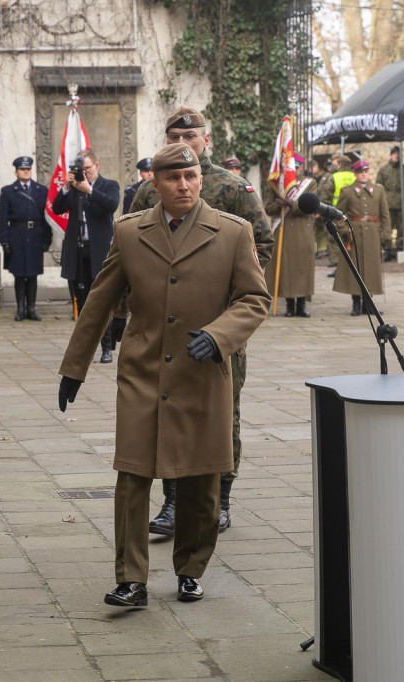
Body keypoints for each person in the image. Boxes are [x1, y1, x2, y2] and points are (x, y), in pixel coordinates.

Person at [57, 143, 271, 607]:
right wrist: (74, 367)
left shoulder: (233, 232)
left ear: (200, 179)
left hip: (203, 372)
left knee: (201, 481)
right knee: (133, 476)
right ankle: (131, 579)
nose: (184, 186)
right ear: (155, 184)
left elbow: (256, 299)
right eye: (173, 178)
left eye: (190, 177)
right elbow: (99, 300)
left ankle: (191, 569)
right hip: (143, 370)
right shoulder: (130, 232)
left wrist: (219, 336)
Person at [130, 106, 274, 535]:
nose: (184, 143)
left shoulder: (233, 188)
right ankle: (173, 502)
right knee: (168, 410)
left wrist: (227, 303)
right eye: (175, 136)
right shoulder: (149, 191)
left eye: (191, 136)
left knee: (222, 413)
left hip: (219, 327)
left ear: (205, 140)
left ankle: (220, 501)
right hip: (165, 326)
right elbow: (130, 249)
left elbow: (262, 246)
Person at [53, 148, 121, 361]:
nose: (84, 173)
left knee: (101, 302)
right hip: (77, 252)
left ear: (96, 166)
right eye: (80, 170)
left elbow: (111, 205)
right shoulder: (75, 187)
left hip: (99, 252)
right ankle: (85, 350)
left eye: (87, 169)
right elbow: (57, 208)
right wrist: (66, 187)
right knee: (82, 303)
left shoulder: (108, 185)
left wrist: (89, 189)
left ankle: (106, 348)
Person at [334, 160, 390, 315]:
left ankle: (369, 304)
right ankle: (356, 303)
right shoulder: (347, 191)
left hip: (373, 234)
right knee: (355, 268)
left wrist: (386, 234)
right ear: (355, 174)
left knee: (371, 269)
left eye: (366, 171)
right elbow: (338, 215)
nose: (364, 175)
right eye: (360, 172)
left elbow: (385, 214)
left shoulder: (378, 190)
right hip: (354, 234)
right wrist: (344, 230)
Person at [0, 155, 50, 321]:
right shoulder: (8, 191)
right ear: (16, 172)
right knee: (19, 274)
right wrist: (4, 240)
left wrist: (47, 239)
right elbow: (2, 218)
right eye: (22, 169)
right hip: (17, 236)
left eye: (28, 169)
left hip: (35, 236)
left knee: (33, 274)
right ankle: (20, 308)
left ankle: (31, 308)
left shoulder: (41, 190)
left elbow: (46, 218)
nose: (26, 172)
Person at [265, 194, 316, 317]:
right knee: (286, 268)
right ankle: (290, 305)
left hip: (303, 230)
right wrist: (278, 205)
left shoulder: (309, 185)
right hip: (284, 230)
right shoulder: (278, 186)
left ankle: (301, 305)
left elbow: (311, 206)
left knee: (303, 268)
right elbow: (268, 209)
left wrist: (291, 203)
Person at [376, 146, 404, 257]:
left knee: (402, 228)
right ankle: (387, 249)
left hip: (402, 203)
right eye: (395, 154)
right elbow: (378, 187)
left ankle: (400, 248)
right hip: (387, 203)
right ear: (391, 155)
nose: (397, 156)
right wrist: (378, 204)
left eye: (398, 154)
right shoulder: (383, 170)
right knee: (386, 228)